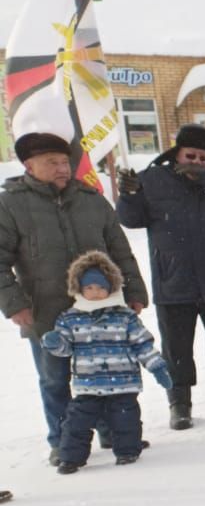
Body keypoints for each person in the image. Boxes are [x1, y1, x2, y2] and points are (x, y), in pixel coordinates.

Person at [0, 132, 150, 464]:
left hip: (101, 310)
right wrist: (14, 303)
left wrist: (135, 292)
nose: (61, 168)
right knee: (54, 379)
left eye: (64, 161)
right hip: (44, 310)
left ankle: (113, 432)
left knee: (104, 372)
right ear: (28, 165)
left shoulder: (92, 199)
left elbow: (120, 252)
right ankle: (62, 439)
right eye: (51, 162)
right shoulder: (10, 204)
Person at [117, 123, 205, 429]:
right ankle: (179, 404)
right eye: (190, 155)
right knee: (176, 349)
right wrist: (127, 195)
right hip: (173, 280)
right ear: (176, 153)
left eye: (204, 158)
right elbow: (130, 219)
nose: (196, 162)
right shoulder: (152, 180)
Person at [40, 251, 172, 473]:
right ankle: (70, 458)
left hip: (123, 383)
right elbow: (66, 349)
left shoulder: (124, 316)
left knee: (125, 420)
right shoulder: (70, 317)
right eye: (89, 288)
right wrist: (54, 343)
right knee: (76, 424)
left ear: (111, 288)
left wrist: (157, 367)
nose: (95, 293)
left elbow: (142, 344)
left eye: (101, 288)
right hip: (88, 386)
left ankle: (128, 451)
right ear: (79, 288)